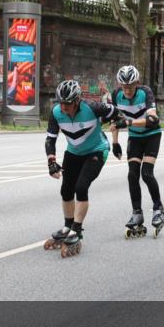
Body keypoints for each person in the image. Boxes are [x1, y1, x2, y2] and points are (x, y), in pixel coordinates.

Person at [45, 79, 121, 257]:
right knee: (66, 190)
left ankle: (77, 230)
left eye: (68, 104)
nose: (64, 108)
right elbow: (50, 139)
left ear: (78, 100)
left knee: (81, 187)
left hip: (96, 150)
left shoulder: (93, 108)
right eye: (61, 103)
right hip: (73, 152)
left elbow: (117, 113)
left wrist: (119, 124)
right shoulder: (56, 112)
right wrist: (51, 161)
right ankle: (68, 225)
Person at [110, 65, 164, 238]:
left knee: (146, 173)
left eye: (130, 86)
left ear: (137, 83)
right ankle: (137, 213)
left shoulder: (145, 92)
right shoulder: (116, 95)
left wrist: (129, 123)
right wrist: (115, 143)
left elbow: (152, 119)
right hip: (135, 138)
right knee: (132, 174)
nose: (127, 90)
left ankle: (158, 208)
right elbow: (115, 119)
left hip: (151, 136)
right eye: (124, 86)